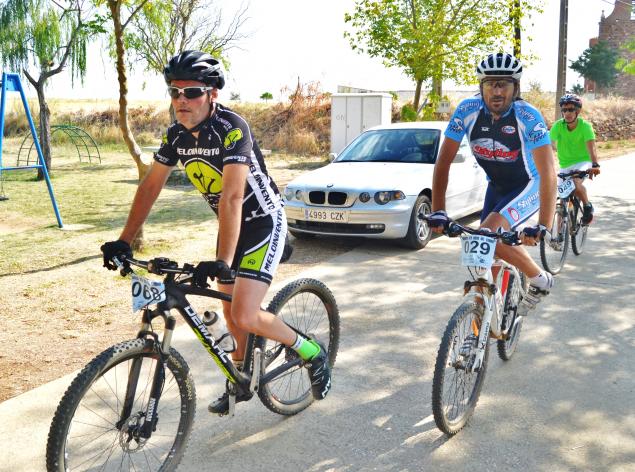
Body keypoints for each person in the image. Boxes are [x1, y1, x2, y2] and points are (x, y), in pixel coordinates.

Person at [100, 50, 331, 414]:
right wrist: (123, 241)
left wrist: (222, 259)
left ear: (212, 94)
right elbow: (150, 186)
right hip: (231, 224)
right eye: (174, 92)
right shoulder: (176, 135)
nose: (181, 100)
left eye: (191, 92)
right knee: (229, 313)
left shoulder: (231, 128)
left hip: (263, 221)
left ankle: (311, 351)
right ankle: (240, 378)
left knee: (245, 314)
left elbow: (233, 196)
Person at [430, 52, 557, 316]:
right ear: (481, 86)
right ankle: (486, 323)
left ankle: (540, 280)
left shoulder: (528, 116)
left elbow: (548, 173)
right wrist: (438, 210)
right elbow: (443, 163)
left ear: (516, 87)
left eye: (504, 84)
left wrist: (543, 225)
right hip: (496, 186)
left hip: (528, 185)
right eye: (490, 84)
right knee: (485, 259)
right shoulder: (467, 110)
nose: (497, 91)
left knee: (486, 234)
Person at [550, 93, 600, 224]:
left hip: (583, 162)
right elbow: (547, 144)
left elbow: (592, 148)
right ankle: (560, 234)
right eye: (564, 110)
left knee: (576, 183)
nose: (567, 113)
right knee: (562, 198)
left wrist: (595, 164)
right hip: (565, 165)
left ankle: (587, 205)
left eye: (571, 109)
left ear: (577, 111)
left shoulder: (585, 126)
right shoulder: (558, 126)